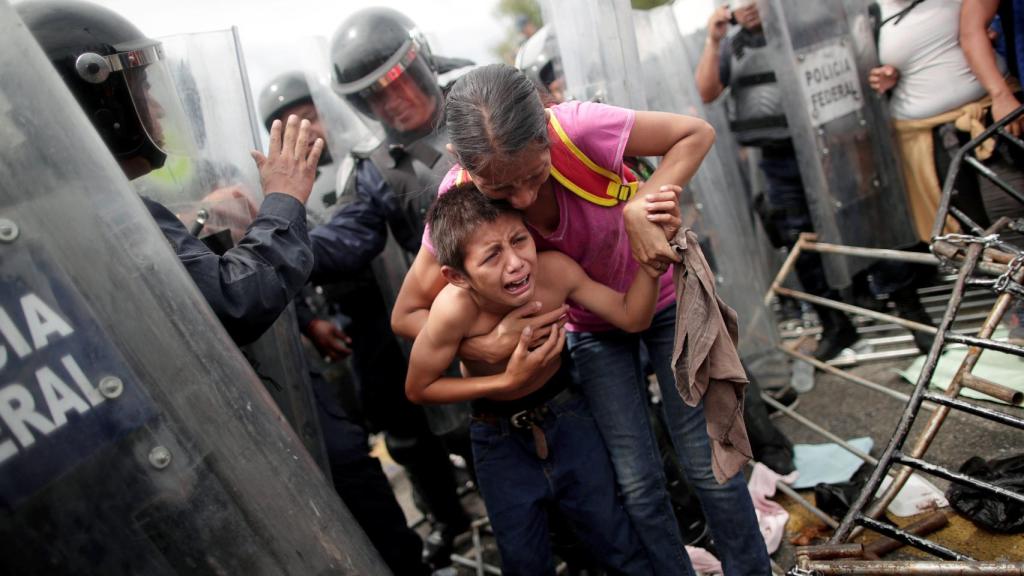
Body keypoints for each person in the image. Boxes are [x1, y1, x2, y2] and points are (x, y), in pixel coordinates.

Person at [393, 64, 770, 576]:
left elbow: (695, 133)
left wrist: (645, 203)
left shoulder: (580, 129)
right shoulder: (460, 199)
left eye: (533, 175)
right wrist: (481, 348)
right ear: (465, 164)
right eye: (502, 192)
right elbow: (408, 314)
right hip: (591, 327)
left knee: (708, 467)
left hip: (663, 301)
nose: (523, 199)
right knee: (636, 485)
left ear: (547, 127)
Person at [20, 0, 321, 348]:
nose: (159, 108)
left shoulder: (62, 207)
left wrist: (196, 217)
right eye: (142, 88)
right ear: (103, 106)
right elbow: (234, 302)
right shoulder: (98, 212)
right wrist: (284, 197)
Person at [407, 183, 663, 575]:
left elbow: (631, 316)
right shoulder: (453, 310)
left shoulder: (555, 273)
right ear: (456, 276)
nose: (516, 263)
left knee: (615, 540)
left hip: (570, 418)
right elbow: (419, 387)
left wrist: (650, 265)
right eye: (492, 255)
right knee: (524, 559)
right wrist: (503, 383)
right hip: (499, 439)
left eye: (519, 240)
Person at [258, 72, 442, 576]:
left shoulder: (368, 162)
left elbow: (361, 237)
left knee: (453, 422)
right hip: (358, 326)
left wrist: (281, 243)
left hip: (409, 304)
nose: (306, 127)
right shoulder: (283, 184)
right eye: (290, 121)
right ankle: (446, 516)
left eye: (311, 113)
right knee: (401, 431)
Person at [314, 7, 475, 565]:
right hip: (472, 333)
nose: (392, 101)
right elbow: (349, 239)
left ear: (420, 61)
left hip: (555, 295)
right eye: (374, 98)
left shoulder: (483, 96)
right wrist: (278, 244)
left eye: (398, 81)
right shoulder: (376, 167)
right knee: (493, 456)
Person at [695, 0, 861, 362]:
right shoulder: (731, 43)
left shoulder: (800, 26)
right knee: (795, 235)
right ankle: (835, 322)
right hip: (775, 157)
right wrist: (713, 41)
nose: (751, 6)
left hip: (823, 147)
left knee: (849, 219)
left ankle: (901, 308)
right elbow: (706, 92)